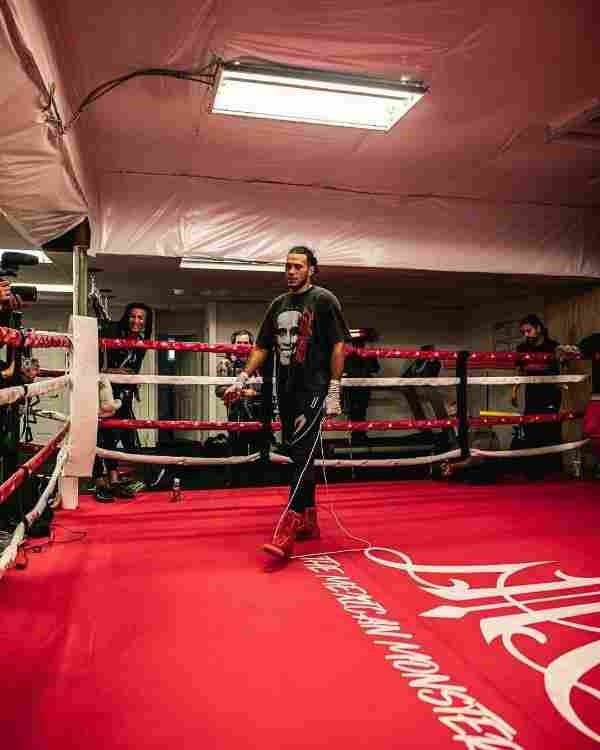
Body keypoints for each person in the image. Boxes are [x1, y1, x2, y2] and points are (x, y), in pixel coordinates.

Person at [224, 246, 349, 559]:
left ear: (311, 270)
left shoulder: (323, 300)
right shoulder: (278, 305)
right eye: (288, 266)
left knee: (304, 454)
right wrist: (241, 378)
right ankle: (310, 520)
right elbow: (262, 346)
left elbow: (337, 344)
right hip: (287, 389)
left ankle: (287, 528)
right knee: (297, 455)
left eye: (298, 266)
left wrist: (335, 388)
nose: (291, 271)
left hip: (314, 388)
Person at [95, 302, 153, 502]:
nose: (135, 321)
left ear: (146, 322)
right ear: (126, 317)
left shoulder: (142, 342)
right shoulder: (112, 333)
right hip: (103, 390)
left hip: (125, 393)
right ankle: (100, 483)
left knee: (119, 434)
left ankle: (114, 480)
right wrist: (115, 373)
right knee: (101, 435)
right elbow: (96, 362)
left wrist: (131, 383)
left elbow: (134, 369)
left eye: (140, 318)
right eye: (132, 316)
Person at [512, 314, 562, 478]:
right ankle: (533, 471)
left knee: (550, 429)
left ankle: (552, 470)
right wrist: (514, 391)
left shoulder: (553, 346)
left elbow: (564, 367)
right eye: (523, 332)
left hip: (550, 393)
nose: (526, 334)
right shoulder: (522, 348)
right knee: (531, 428)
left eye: (529, 330)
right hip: (532, 392)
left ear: (538, 328)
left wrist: (563, 382)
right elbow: (520, 372)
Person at [343, 329, 380, 446]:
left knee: (357, 412)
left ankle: (358, 436)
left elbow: (375, 368)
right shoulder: (349, 355)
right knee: (356, 412)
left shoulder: (362, 355)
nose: (359, 345)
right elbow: (375, 369)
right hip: (355, 387)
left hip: (359, 387)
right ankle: (358, 436)